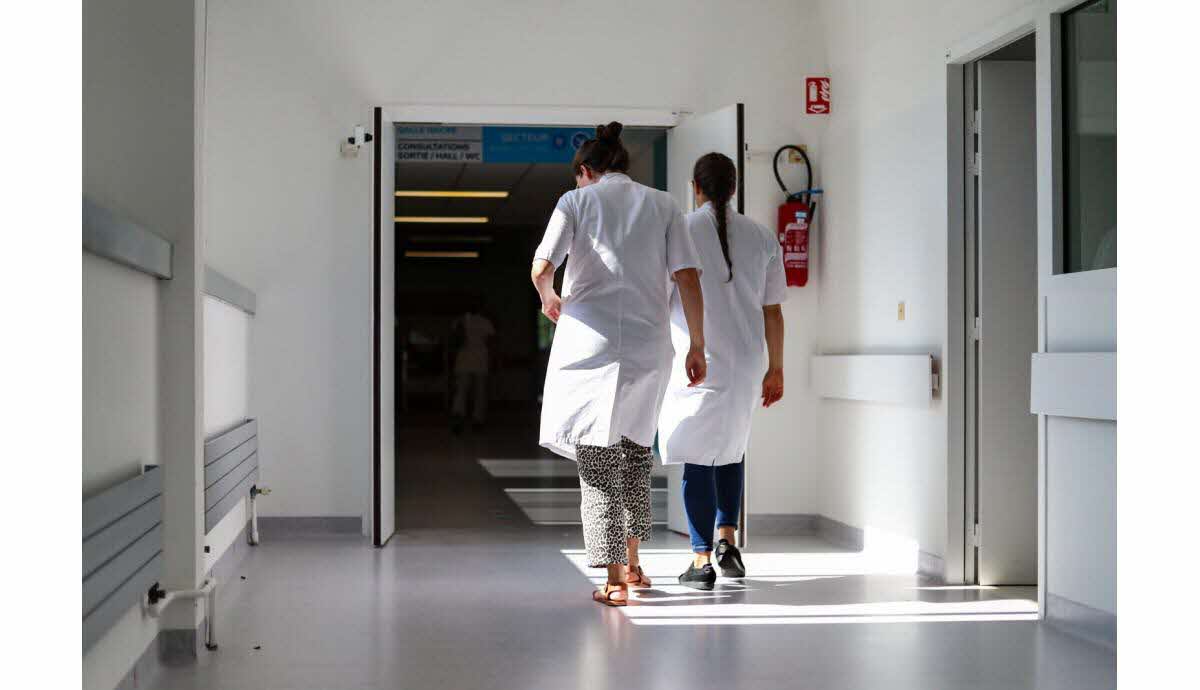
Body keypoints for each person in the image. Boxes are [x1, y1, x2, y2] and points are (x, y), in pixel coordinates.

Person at [531, 122, 707, 606]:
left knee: (597, 460)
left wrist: (550, 298)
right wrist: (697, 342)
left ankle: (611, 580)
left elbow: (543, 266)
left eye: (578, 177)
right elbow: (688, 276)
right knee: (633, 455)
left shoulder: (576, 202)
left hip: (590, 345)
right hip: (649, 346)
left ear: (585, 171)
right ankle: (633, 566)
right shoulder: (665, 204)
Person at [657, 152, 787, 590]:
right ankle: (727, 540)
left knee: (697, 455)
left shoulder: (680, 230)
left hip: (698, 358)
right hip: (748, 360)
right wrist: (777, 368)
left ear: (696, 186)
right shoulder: (764, 236)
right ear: (734, 188)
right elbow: (773, 312)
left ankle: (699, 560)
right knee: (732, 447)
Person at [450, 304, 495, 433]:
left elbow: (455, 340)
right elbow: (492, 342)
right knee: (478, 391)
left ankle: (462, 419)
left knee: (462, 390)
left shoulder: (461, 321)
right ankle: (476, 420)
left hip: (466, 359)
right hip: (478, 358)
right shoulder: (483, 322)